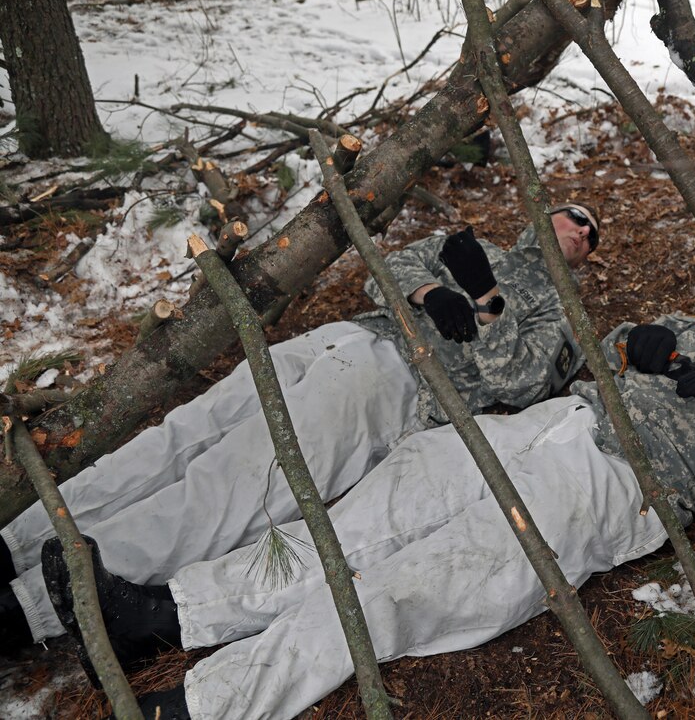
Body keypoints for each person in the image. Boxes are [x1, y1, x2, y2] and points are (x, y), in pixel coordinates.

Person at [44, 259, 695, 719]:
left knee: (416, 582)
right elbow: (600, 354)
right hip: (549, 421)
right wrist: (633, 347)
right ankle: (169, 614)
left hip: (618, 487)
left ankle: (207, 707)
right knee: (372, 514)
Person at [0, 203, 602, 651]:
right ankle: (19, 543)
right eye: (572, 217)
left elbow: (516, 383)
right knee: (184, 434)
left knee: (235, 481)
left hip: (394, 383)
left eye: (589, 236)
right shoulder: (480, 243)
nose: (577, 231)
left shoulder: (562, 317)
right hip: (340, 338)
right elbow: (388, 267)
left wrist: (486, 300)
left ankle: (35, 606)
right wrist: (424, 293)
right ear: (542, 212)